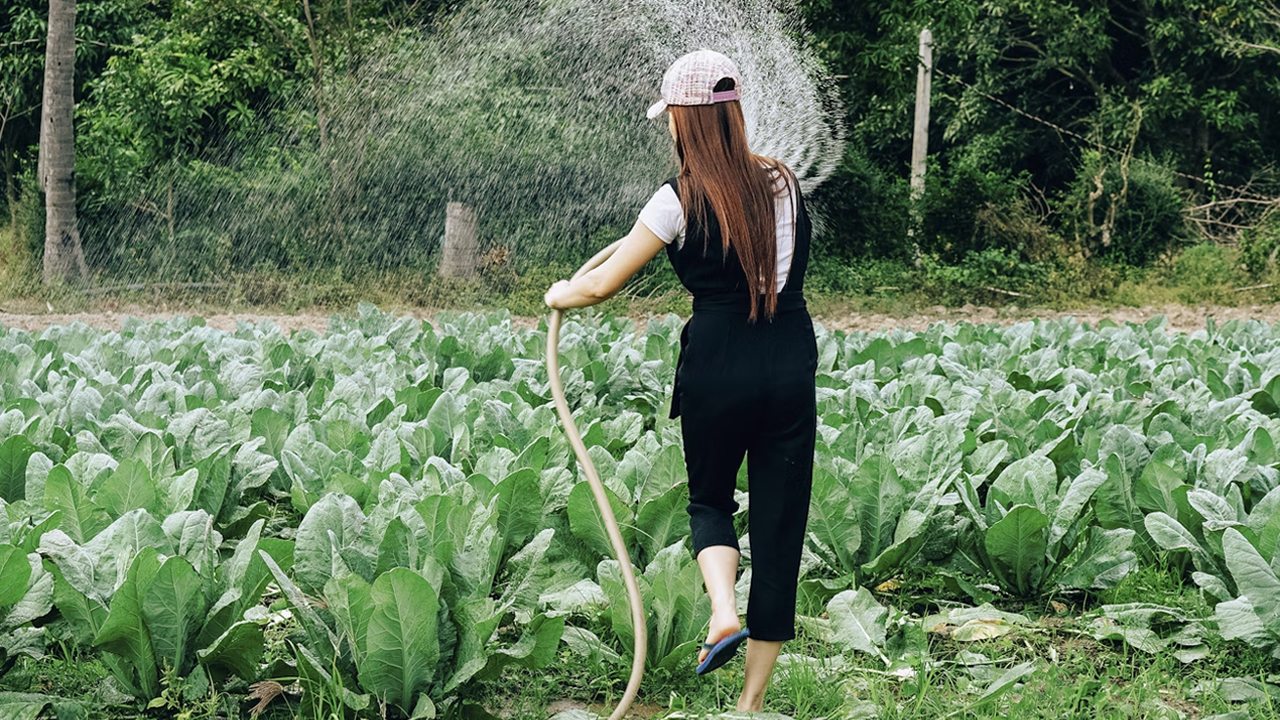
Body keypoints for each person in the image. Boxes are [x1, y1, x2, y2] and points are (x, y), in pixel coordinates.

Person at [543, 48, 817, 712]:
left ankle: (723, 610)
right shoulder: (783, 180)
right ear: (734, 115)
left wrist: (559, 293)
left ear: (685, 123)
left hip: (718, 363)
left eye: (670, 119)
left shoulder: (676, 200)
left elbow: (602, 283)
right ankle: (749, 706)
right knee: (780, 527)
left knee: (710, 502)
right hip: (786, 359)